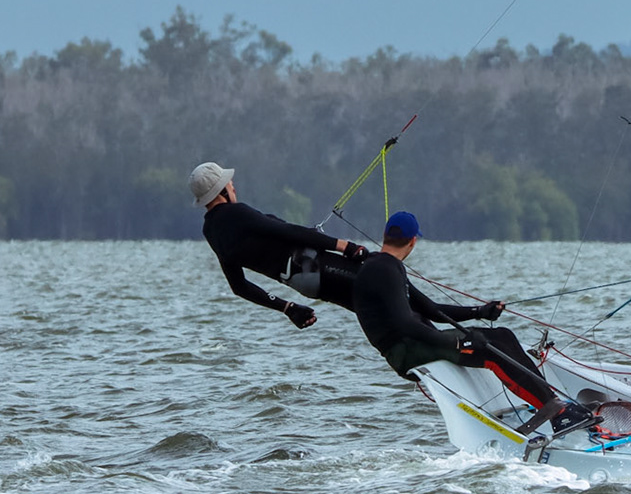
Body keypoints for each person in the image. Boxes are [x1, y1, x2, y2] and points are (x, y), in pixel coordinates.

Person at [353, 210, 594, 438]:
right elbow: (405, 324)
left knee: (503, 335)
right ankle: (557, 414)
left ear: (385, 235)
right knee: (491, 350)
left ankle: (555, 405)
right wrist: (457, 342)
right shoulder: (383, 269)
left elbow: (432, 310)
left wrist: (480, 312)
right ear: (413, 241)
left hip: (416, 342)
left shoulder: (386, 266)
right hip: (407, 352)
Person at [192, 160, 368, 328]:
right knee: (376, 282)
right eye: (230, 184)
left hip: (305, 285)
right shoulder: (235, 213)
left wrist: (287, 308)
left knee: (369, 307)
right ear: (221, 191)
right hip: (316, 266)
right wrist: (345, 246)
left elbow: (239, 287)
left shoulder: (210, 231)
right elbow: (287, 231)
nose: (233, 188)